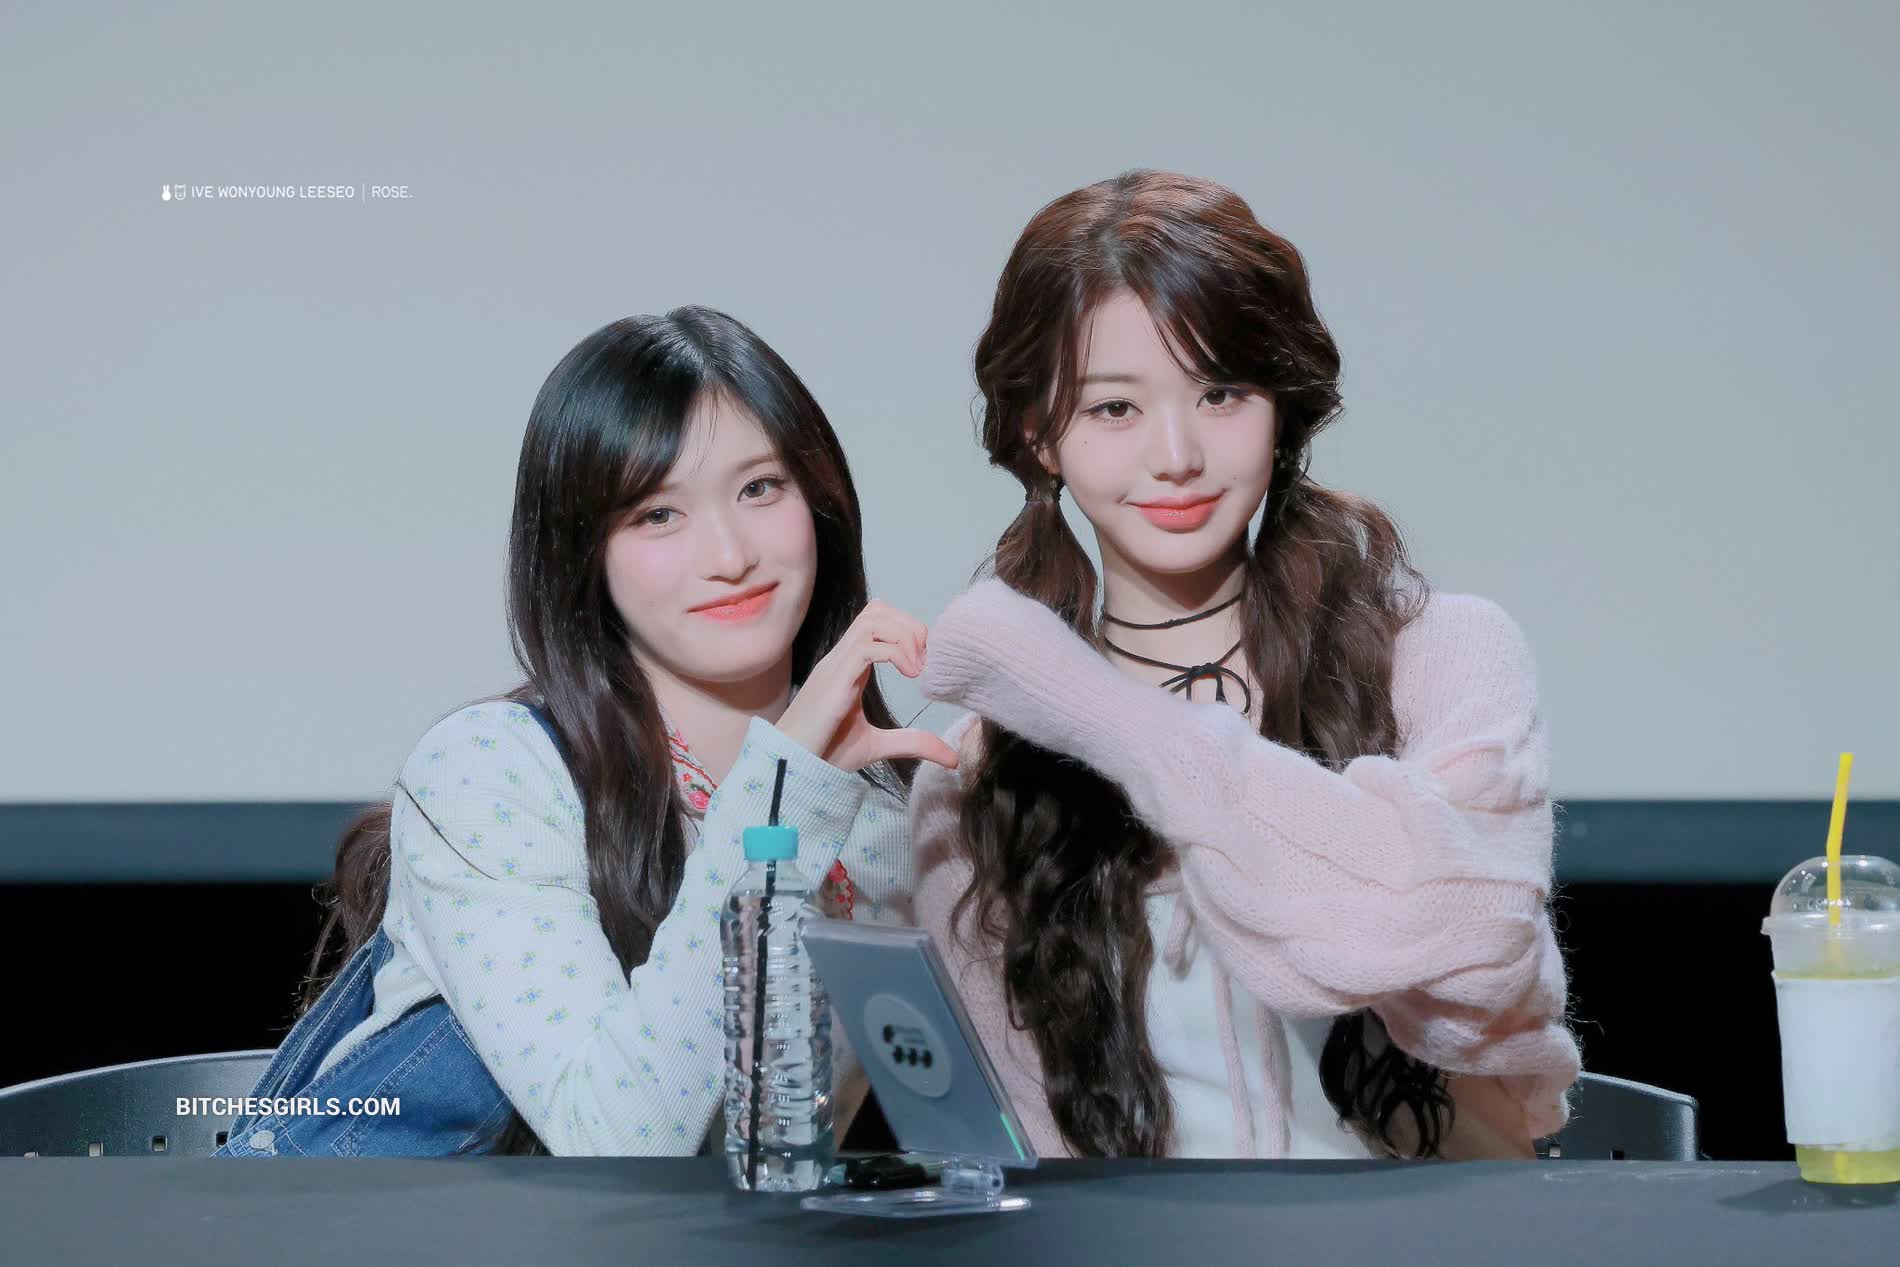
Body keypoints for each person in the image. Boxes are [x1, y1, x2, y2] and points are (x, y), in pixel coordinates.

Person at [911, 170, 1581, 1161]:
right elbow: (1038, 1164)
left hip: (1443, 1227)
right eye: (1113, 408)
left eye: (1220, 392)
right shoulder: (981, 775)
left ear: (1282, 403)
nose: (1176, 454)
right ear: (1037, 434)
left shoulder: (1442, 654)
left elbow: (1469, 951)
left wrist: (1111, 719)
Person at [216, 307, 956, 1156]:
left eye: (760, 488)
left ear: (819, 501)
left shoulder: (879, 817)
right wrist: (787, 786)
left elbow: (787, 1153)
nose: (729, 554)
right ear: (585, 553)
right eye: (657, 514)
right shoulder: (491, 772)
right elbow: (615, 1143)